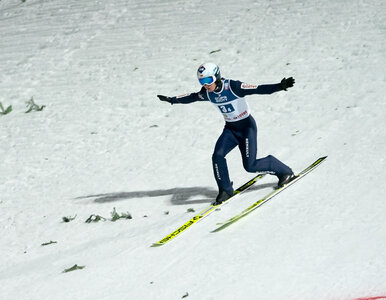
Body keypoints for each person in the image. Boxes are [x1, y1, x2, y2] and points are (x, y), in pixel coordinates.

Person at [157, 62, 295, 205]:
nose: (206, 85)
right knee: (217, 156)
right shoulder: (207, 94)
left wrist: (280, 86)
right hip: (230, 129)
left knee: (250, 166)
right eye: (202, 81)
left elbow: (258, 89)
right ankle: (225, 190)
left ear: (217, 77)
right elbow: (191, 97)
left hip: (247, 128)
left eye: (208, 80)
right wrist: (172, 100)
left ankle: (284, 172)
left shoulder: (233, 87)